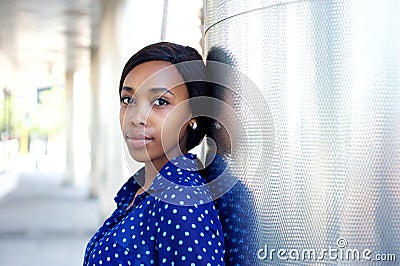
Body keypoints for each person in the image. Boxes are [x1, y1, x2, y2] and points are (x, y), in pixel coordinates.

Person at [83, 42, 225, 266]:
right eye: (128, 100)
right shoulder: (141, 190)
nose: (136, 117)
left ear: (194, 114)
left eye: (160, 102)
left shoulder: (181, 199)